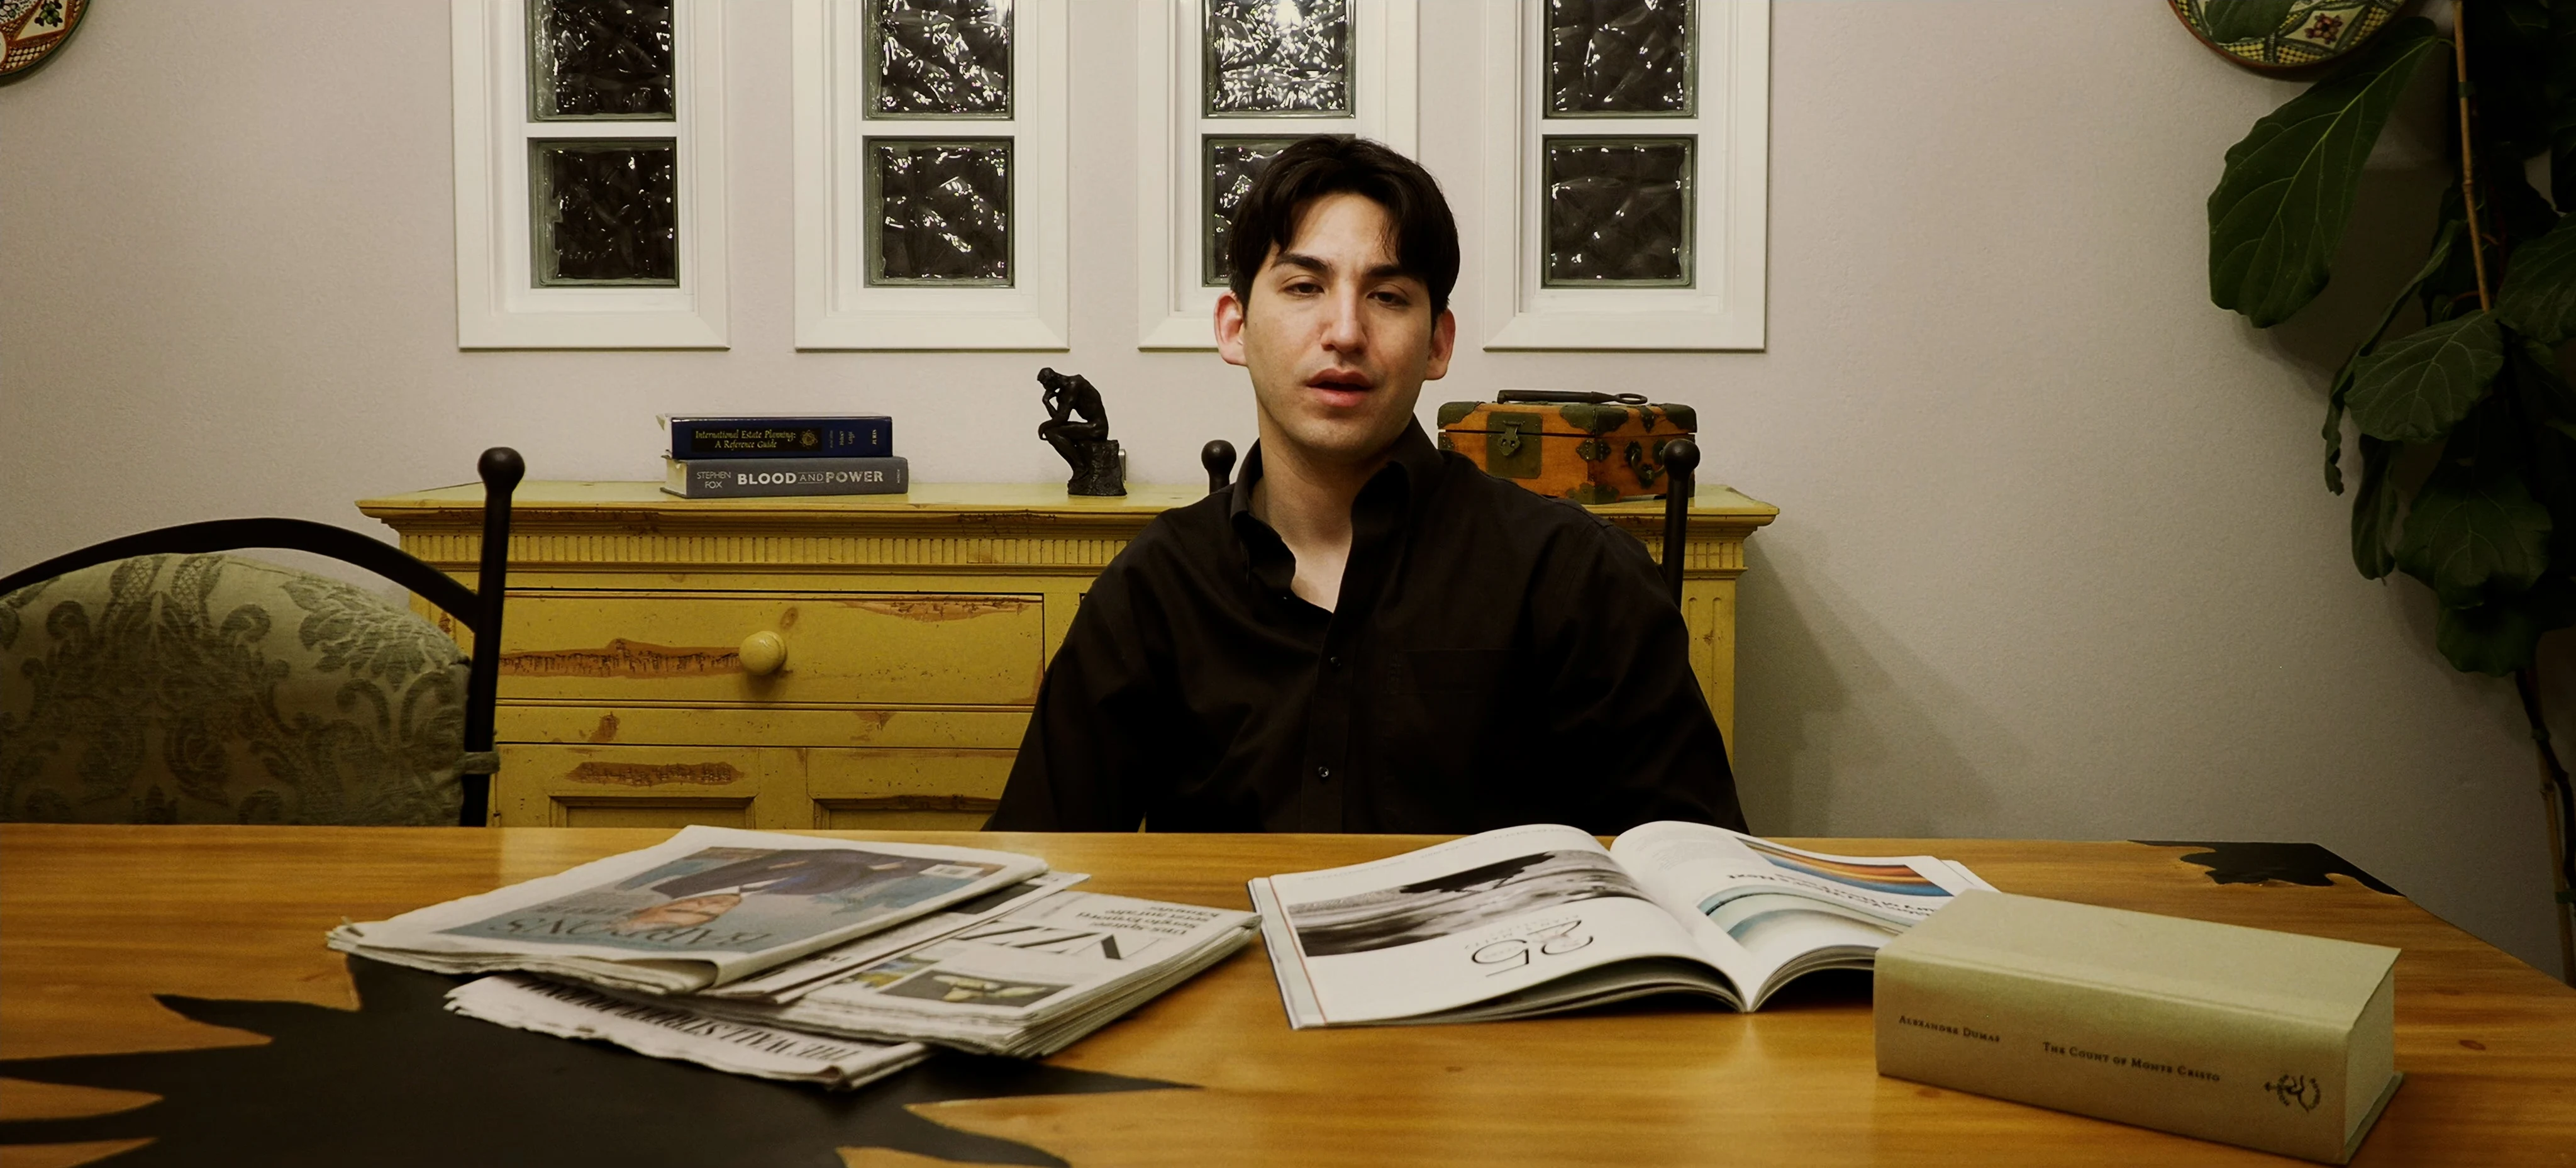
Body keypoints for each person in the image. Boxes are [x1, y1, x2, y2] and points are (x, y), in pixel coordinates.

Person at [986, 135, 1745, 835]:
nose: (1345, 332)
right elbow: (1041, 863)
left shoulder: (1577, 577)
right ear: (1234, 327)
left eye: (1387, 296)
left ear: (1438, 343)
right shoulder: (1152, 589)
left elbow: (1695, 868)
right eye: (1303, 287)